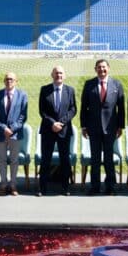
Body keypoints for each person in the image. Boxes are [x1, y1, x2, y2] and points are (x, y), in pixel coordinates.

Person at [80, 58, 125, 195]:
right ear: (95, 69)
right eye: (99, 67)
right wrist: (83, 126)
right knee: (95, 159)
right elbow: (84, 107)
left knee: (109, 159)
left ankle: (110, 187)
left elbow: (121, 108)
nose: (102, 69)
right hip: (93, 128)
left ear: (108, 68)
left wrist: (120, 126)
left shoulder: (117, 84)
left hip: (111, 128)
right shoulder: (89, 84)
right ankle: (95, 187)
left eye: (104, 67)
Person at [37, 66, 77, 196]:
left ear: (64, 75)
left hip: (64, 130)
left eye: (60, 73)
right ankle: (42, 188)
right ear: (52, 75)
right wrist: (52, 123)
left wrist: (62, 122)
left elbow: (73, 109)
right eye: (56, 73)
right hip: (48, 129)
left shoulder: (70, 90)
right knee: (45, 159)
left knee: (65, 160)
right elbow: (42, 110)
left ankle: (65, 188)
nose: (58, 75)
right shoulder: (45, 89)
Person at [0, 72, 28, 196]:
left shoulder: (22, 95)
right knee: (1, 160)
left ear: (16, 81)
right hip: (1, 133)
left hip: (15, 134)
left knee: (14, 160)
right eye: (6, 79)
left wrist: (11, 129)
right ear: (4, 81)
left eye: (11, 79)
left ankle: (13, 185)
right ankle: (3, 184)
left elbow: (23, 116)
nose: (9, 81)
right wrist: (3, 128)